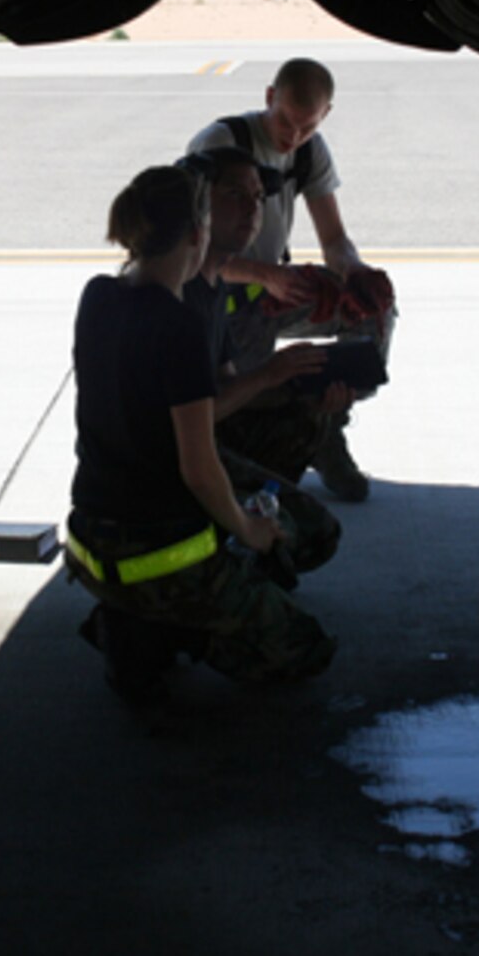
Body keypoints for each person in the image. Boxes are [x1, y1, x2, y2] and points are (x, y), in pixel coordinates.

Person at [65, 164, 336, 701]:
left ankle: (137, 618)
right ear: (197, 233)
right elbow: (198, 467)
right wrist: (248, 530)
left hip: (89, 541)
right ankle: (153, 633)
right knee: (306, 650)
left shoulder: (97, 297)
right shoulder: (178, 324)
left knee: (273, 546)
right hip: (159, 555)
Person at [186, 57, 395, 501]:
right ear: (268, 98)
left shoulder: (310, 150)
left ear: (325, 116)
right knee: (242, 406)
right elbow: (186, 249)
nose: (293, 136)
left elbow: (335, 239)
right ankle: (295, 437)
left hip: (274, 292)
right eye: (285, 121)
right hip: (223, 304)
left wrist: (355, 272)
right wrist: (264, 274)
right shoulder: (223, 143)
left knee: (371, 308)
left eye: (307, 126)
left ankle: (330, 423)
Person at [181, 146, 351, 557]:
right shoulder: (179, 297)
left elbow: (226, 388)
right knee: (313, 536)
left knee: (304, 414)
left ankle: (244, 538)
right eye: (236, 195)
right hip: (176, 461)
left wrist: (305, 390)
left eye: (258, 198)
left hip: (204, 437)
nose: (252, 210)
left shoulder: (211, 287)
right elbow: (195, 417)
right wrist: (269, 374)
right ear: (201, 202)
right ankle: (229, 546)